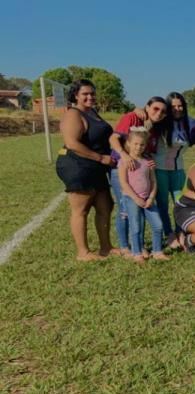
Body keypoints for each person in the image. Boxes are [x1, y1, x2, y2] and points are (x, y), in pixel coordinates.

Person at [55, 79, 116, 261]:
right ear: (76, 95)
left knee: (106, 206)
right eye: (85, 94)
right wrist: (101, 158)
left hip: (96, 167)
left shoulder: (93, 112)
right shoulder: (73, 115)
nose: (90, 97)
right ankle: (83, 252)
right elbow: (72, 143)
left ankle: (106, 247)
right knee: (81, 210)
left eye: (92, 93)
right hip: (78, 166)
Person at [109, 96, 169, 256]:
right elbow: (113, 138)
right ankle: (125, 246)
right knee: (125, 209)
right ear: (147, 107)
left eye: (163, 111)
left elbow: (148, 153)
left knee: (139, 212)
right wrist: (124, 155)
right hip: (121, 168)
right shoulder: (133, 117)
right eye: (156, 108)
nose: (159, 113)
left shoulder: (155, 129)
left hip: (140, 170)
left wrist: (149, 163)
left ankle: (140, 246)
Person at [117, 128, 168, 263]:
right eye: (135, 144)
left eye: (142, 145)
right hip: (132, 199)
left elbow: (153, 181)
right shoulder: (124, 162)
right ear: (128, 143)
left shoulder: (148, 162)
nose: (138, 147)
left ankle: (157, 251)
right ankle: (137, 253)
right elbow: (123, 183)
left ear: (146, 146)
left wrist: (151, 197)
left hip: (148, 199)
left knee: (158, 225)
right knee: (136, 227)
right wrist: (136, 198)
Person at [155, 92, 195, 245]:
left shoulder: (190, 122)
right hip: (160, 169)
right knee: (163, 204)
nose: (177, 109)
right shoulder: (161, 121)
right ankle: (169, 234)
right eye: (173, 107)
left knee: (181, 203)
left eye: (180, 106)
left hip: (179, 169)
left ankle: (181, 233)